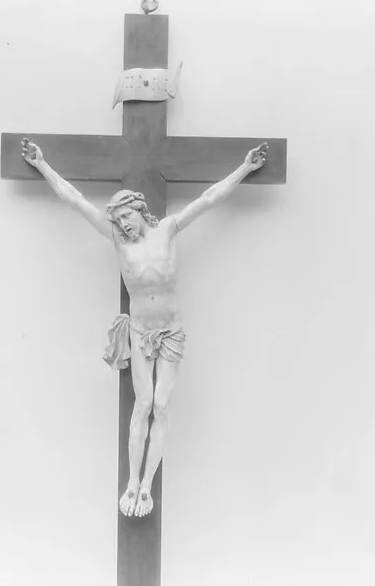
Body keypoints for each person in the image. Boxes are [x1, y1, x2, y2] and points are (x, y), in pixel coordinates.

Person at [21, 138, 268, 517]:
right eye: (118, 220)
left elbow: (208, 200)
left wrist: (245, 168)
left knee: (162, 406)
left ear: (139, 210)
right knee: (145, 403)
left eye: (126, 216)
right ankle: (132, 482)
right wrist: (42, 165)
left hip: (170, 331)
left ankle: (147, 486)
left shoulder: (168, 229)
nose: (123, 224)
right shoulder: (118, 241)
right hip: (139, 330)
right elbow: (76, 201)